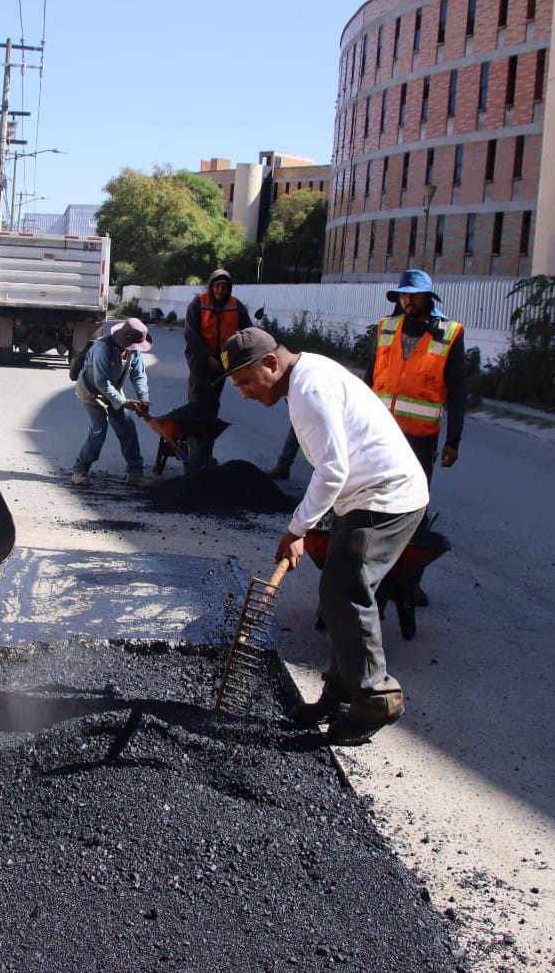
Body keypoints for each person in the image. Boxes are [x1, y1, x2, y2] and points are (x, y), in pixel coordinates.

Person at [221, 327, 429, 747]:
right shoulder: (305, 376)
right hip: (363, 495)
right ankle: (339, 693)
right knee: (335, 589)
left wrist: (298, 528)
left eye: (245, 381)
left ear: (271, 363)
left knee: (345, 590)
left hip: (387, 495)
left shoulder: (309, 392)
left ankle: (375, 699)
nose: (243, 393)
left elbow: (331, 470)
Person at [362, 268, 466, 612]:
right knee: (373, 503)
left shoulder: (449, 335)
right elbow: (369, 377)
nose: (408, 301)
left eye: (414, 296)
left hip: (420, 439)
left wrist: (454, 440)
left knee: (414, 509)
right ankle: (371, 574)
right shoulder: (386, 328)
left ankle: (409, 581)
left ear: (429, 299)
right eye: (403, 295)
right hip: (380, 433)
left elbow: (458, 391)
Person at [72, 317, 154, 488]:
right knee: (99, 430)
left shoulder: (134, 350)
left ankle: (135, 473)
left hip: (113, 390)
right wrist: (123, 402)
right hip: (91, 391)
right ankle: (80, 471)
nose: (134, 350)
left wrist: (143, 398)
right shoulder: (103, 348)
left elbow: (138, 375)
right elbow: (101, 382)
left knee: (127, 428)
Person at [183, 268, 253, 465]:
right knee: (197, 399)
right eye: (217, 286)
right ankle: (193, 447)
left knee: (213, 404)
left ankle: (206, 451)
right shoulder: (198, 304)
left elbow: (248, 332)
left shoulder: (236, 306)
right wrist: (207, 357)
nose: (220, 290)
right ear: (211, 286)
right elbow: (191, 335)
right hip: (199, 358)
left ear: (229, 288)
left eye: (224, 287)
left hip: (223, 361)